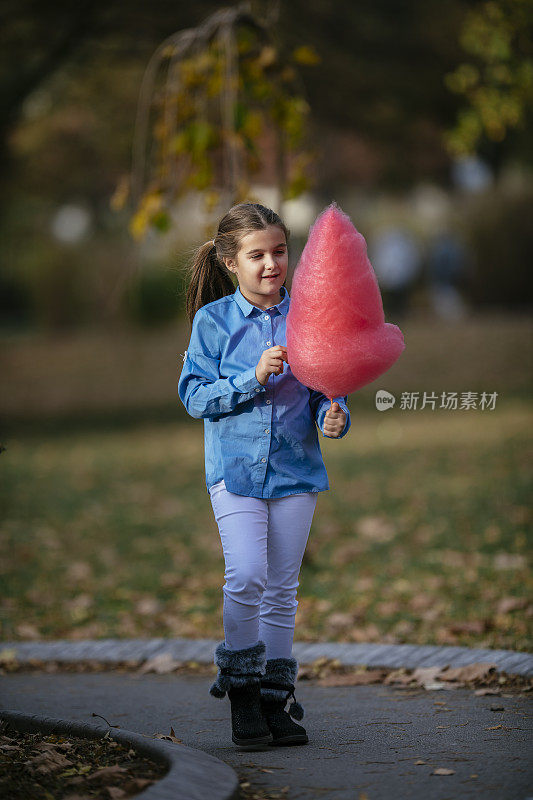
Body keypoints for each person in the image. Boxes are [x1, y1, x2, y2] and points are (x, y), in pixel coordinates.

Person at [178, 202, 351, 749]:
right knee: (247, 575)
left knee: (282, 590)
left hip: (296, 470)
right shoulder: (213, 322)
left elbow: (330, 384)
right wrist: (251, 378)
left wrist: (336, 411)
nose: (272, 264)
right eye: (257, 255)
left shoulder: (309, 316)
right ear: (231, 262)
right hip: (234, 472)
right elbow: (194, 395)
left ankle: (276, 700)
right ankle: (242, 694)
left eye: (279, 251)